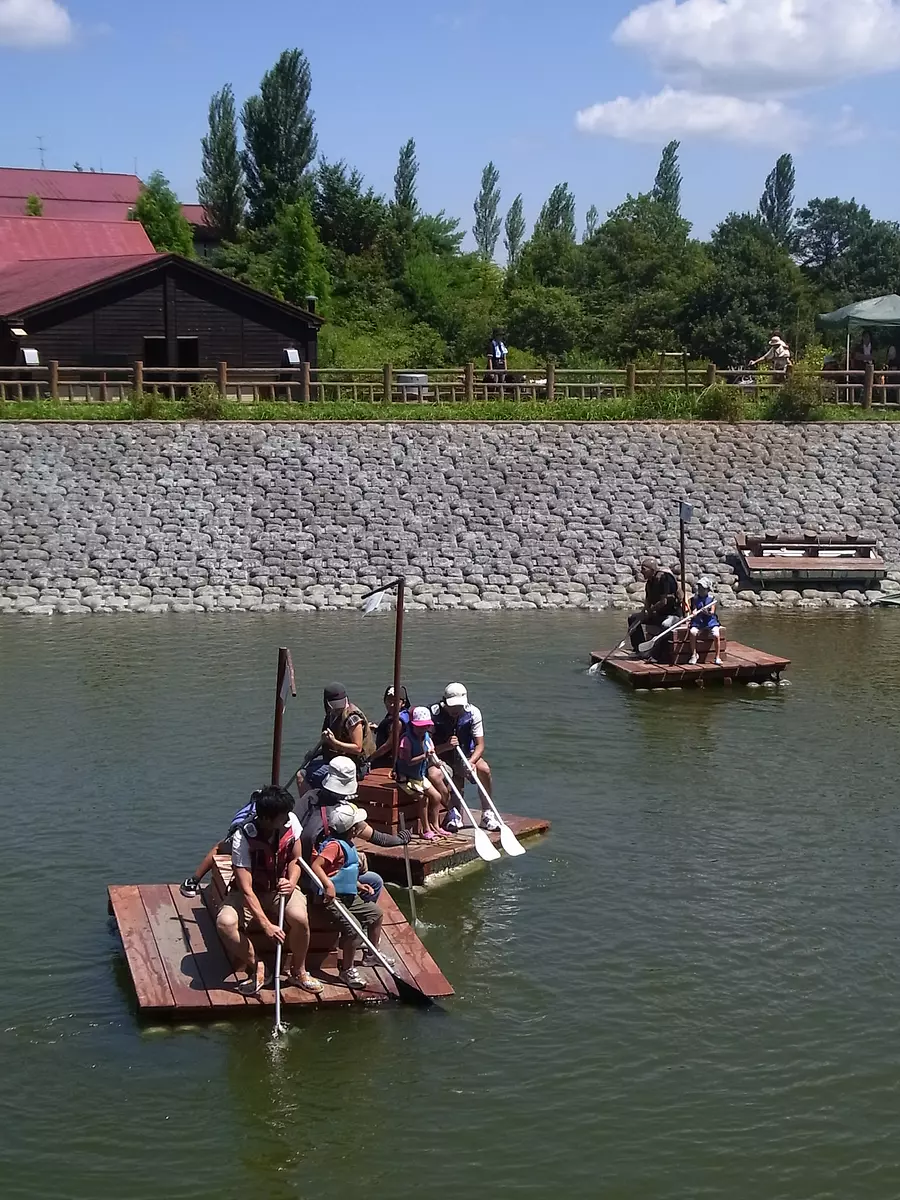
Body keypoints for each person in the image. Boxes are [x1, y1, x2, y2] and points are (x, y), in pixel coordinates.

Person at [214, 785, 323, 996]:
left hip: (279, 888)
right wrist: (267, 925)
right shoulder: (243, 837)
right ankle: (259, 966)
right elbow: (245, 889)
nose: (286, 820)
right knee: (224, 923)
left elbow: (296, 859)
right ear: (266, 818)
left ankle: (299, 971)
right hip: (248, 893)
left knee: (300, 918)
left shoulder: (291, 822)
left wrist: (291, 881)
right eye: (281, 817)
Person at [310, 803, 387, 989]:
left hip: (350, 896)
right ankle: (347, 970)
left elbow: (344, 871)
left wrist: (359, 884)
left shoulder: (349, 845)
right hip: (333, 900)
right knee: (354, 930)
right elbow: (316, 866)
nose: (362, 826)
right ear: (353, 829)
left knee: (376, 914)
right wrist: (328, 885)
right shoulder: (334, 846)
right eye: (359, 824)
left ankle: (371, 954)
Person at [430, 683, 496, 832]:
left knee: (484, 769)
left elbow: (480, 745)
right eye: (452, 706)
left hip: (466, 755)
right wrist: (446, 746)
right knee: (436, 775)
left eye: (459, 706)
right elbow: (428, 748)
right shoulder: (433, 713)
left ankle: (487, 813)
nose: (455, 710)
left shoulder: (473, 713)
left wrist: (471, 762)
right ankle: (452, 811)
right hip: (441, 757)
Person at [301, 683, 375, 792]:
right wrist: (315, 753)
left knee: (305, 776)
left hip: (355, 766)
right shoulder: (331, 715)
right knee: (306, 770)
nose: (338, 708)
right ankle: (314, 804)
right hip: (336, 761)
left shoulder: (352, 718)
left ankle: (319, 803)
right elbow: (330, 746)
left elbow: (357, 748)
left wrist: (334, 742)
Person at [396, 706, 448, 841]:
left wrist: (436, 762)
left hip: (419, 777)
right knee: (423, 798)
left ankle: (435, 825)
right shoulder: (406, 740)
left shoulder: (427, 738)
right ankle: (426, 829)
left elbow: (431, 756)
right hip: (406, 777)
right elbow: (408, 761)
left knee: (436, 796)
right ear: (412, 725)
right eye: (419, 727)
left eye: (425, 727)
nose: (422, 730)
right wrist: (424, 755)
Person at [628, 558, 683, 657]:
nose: (641, 571)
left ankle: (656, 654)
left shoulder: (665, 579)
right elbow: (648, 601)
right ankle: (639, 649)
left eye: (644, 569)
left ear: (652, 569)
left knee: (665, 625)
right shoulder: (649, 583)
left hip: (672, 615)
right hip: (657, 615)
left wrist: (650, 611)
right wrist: (643, 613)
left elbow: (664, 602)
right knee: (633, 618)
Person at [369, 685, 410, 766]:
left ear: (403, 703)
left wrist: (370, 758)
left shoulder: (398, 722)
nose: (391, 705)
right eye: (389, 701)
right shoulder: (395, 714)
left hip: (390, 760)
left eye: (395, 701)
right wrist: (377, 729)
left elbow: (388, 746)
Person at [688, 577, 722, 666]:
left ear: (707, 589)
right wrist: (694, 612)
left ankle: (717, 657)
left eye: (702, 588)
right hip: (699, 621)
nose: (700, 590)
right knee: (692, 632)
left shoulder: (712, 599)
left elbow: (712, 612)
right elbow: (695, 608)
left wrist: (706, 612)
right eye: (699, 588)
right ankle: (694, 654)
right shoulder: (695, 598)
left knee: (716, 634)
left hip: (710, 621)